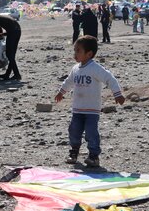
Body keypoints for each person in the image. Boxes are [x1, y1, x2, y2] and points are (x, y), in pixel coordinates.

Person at [54, 35, 125, 168]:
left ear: (89, 54)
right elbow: (69, 81)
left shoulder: (95, 68)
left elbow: (110, 79)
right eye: (74, 50)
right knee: (74, 130)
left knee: (91, 132)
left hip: (92, 109)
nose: (75, 54)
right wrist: (61, 92)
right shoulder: (75, 69)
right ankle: (74, 152)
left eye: (78, 51)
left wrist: (117, 94)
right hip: (77, 108)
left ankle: (93, 156)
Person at [0, 14, 21, 80]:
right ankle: (7, 74)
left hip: (13, 32)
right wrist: (2, 34)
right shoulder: (1, 17)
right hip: (18, 31)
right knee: (12, 55)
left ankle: (17, 75)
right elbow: (7, 28)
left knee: (9, 55)